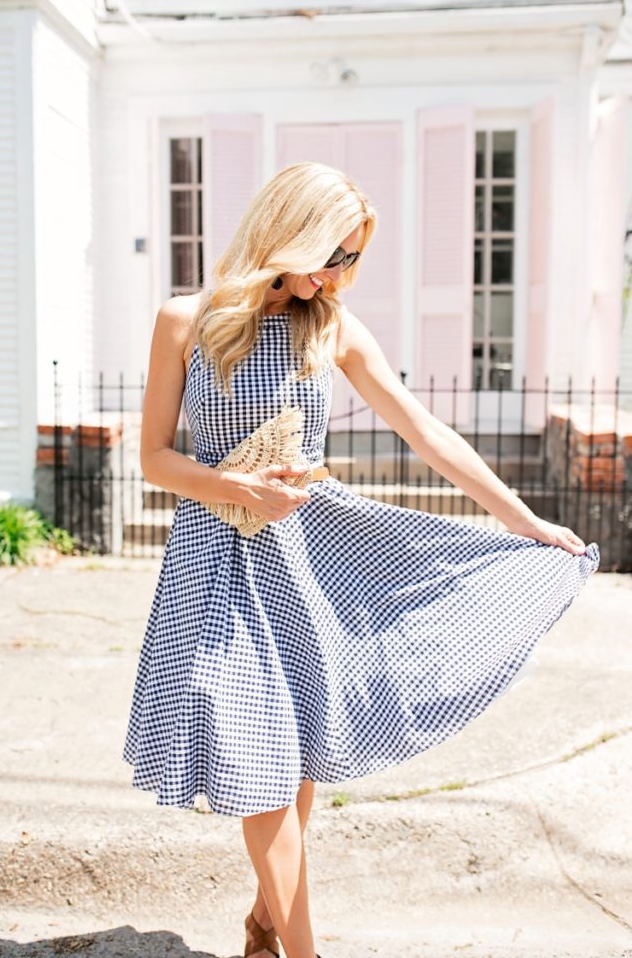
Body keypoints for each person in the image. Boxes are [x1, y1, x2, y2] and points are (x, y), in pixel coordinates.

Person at [122, 162, 600, 958]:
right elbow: (153, 460)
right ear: (285, 234)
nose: (337, 275)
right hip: (214, 560)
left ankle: (265, 922)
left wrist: (520, 521)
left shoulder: (332, 325)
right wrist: (228, 483)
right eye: (329, 255)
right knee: (260, 761)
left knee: (296, 757)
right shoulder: (184, 320)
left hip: (308, 558)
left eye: (350, 260)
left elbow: (426, 434)